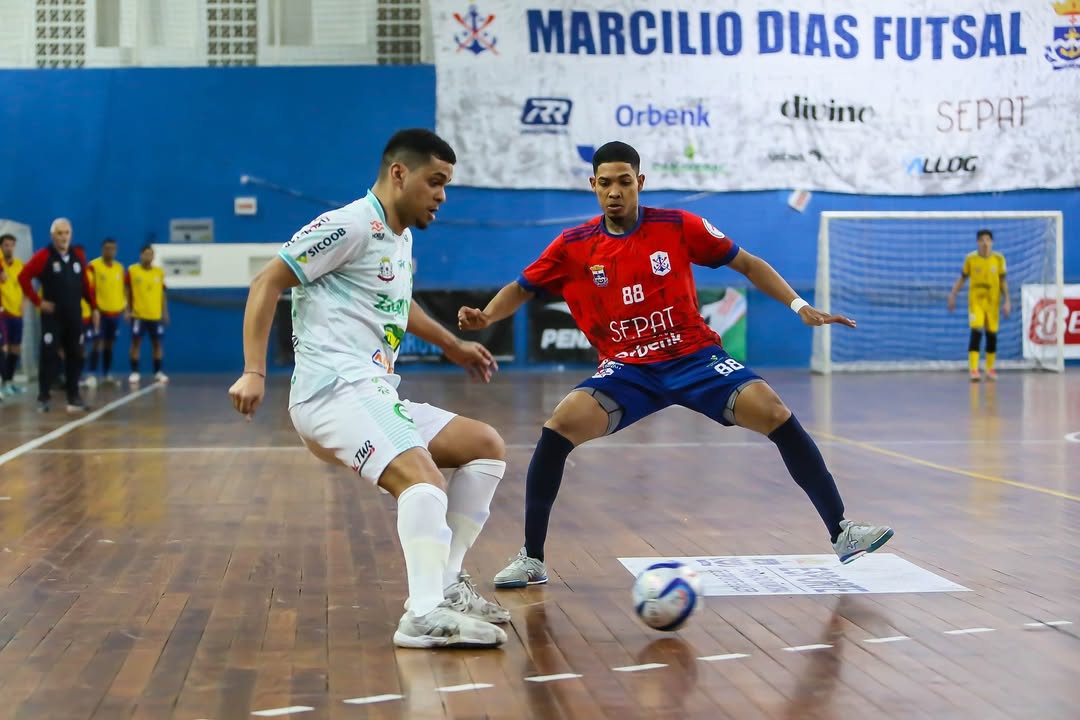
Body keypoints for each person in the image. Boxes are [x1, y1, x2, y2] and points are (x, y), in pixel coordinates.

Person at [457, 141, 895, 589]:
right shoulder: (573, 245)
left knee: (775, 412)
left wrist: (799, 305)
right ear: (593, 186)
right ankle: (532, 557)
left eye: (624, 182)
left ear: (639, 183)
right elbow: (522, 287)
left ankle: (842, 532)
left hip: (694, 357)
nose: (614, 192)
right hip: (628, 367)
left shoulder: (677, 226)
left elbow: (746, 263)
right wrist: (488, 316)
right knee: (558, 427)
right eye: (605, 183)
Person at [228, 128, 511, 649]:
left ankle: (445, 585)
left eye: (447, 185)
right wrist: (254, 371)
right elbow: (266, 281)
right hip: (334, 390)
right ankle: (422, 615)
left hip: (374, 390)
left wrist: (452, 345)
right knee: (424, 481)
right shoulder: (350, 224)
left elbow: (398, 307)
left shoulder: (400, 240)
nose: (442, 196)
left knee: (485, 447)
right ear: (398, 173)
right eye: (436, 182)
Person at [19, 218, 95, 413]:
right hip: (53, 317)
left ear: (71, 234)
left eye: (67, 233)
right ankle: (43, 398)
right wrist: (38, 302)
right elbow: (23, 276)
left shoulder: (78, 257)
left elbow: (85, 285)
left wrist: (94, 307)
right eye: (60, 233)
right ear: (52, 235)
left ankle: (73, 396)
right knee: (49, 355)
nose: (63, 237)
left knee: (76, 355)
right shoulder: (44, 256)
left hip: (74, 316)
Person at [947, 229, 1009, 381]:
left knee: (992, 335)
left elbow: (1002, 282)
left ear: (992, 242)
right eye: (982, 240)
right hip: (976, 301)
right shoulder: (970, 259)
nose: (985, 243)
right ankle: (974, 369)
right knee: (976, 331)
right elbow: (962, 278)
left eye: (988, 240)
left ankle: (990, 369)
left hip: (993, 302)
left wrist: (1007, 300)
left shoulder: (999, 259)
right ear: (977, 242)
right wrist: (953, 295)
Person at [125, 243, 169, 385]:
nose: (148, 256)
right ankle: (135, 372)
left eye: (151, 254)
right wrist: (127, 310)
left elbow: (162, 294)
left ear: (153, 256)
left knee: (157, 344)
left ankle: (158, 372)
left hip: (155, 315)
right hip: (138, 315)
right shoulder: (133, 271)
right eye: (145, 254)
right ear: (141, 255)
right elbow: (127, 292)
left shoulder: (159, 272)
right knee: (136, 343)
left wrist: (165, 312)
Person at [87, 238, 127, 385]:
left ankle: (107, 374)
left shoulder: (119, 268)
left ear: (116, 250)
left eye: (112, 248)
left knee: (110, 344)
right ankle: (91, 374)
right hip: (100, 313)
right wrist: (94, 309)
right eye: (107, 248)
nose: (109, 251)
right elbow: (89, 289)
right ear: (102, 249)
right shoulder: (93, 266)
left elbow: (122, 289)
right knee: (97, 343)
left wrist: (124, 307)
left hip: (115, 313)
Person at [0, 233, 26, 396]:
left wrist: (23, 303)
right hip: (3, 312)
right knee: (3, 346)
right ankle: (3, 382)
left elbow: (24, 287)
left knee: (15, 348)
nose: (9, 248)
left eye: (11, 245)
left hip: (17, 313)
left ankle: (9, 381)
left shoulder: (20, 266)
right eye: (6, 245)